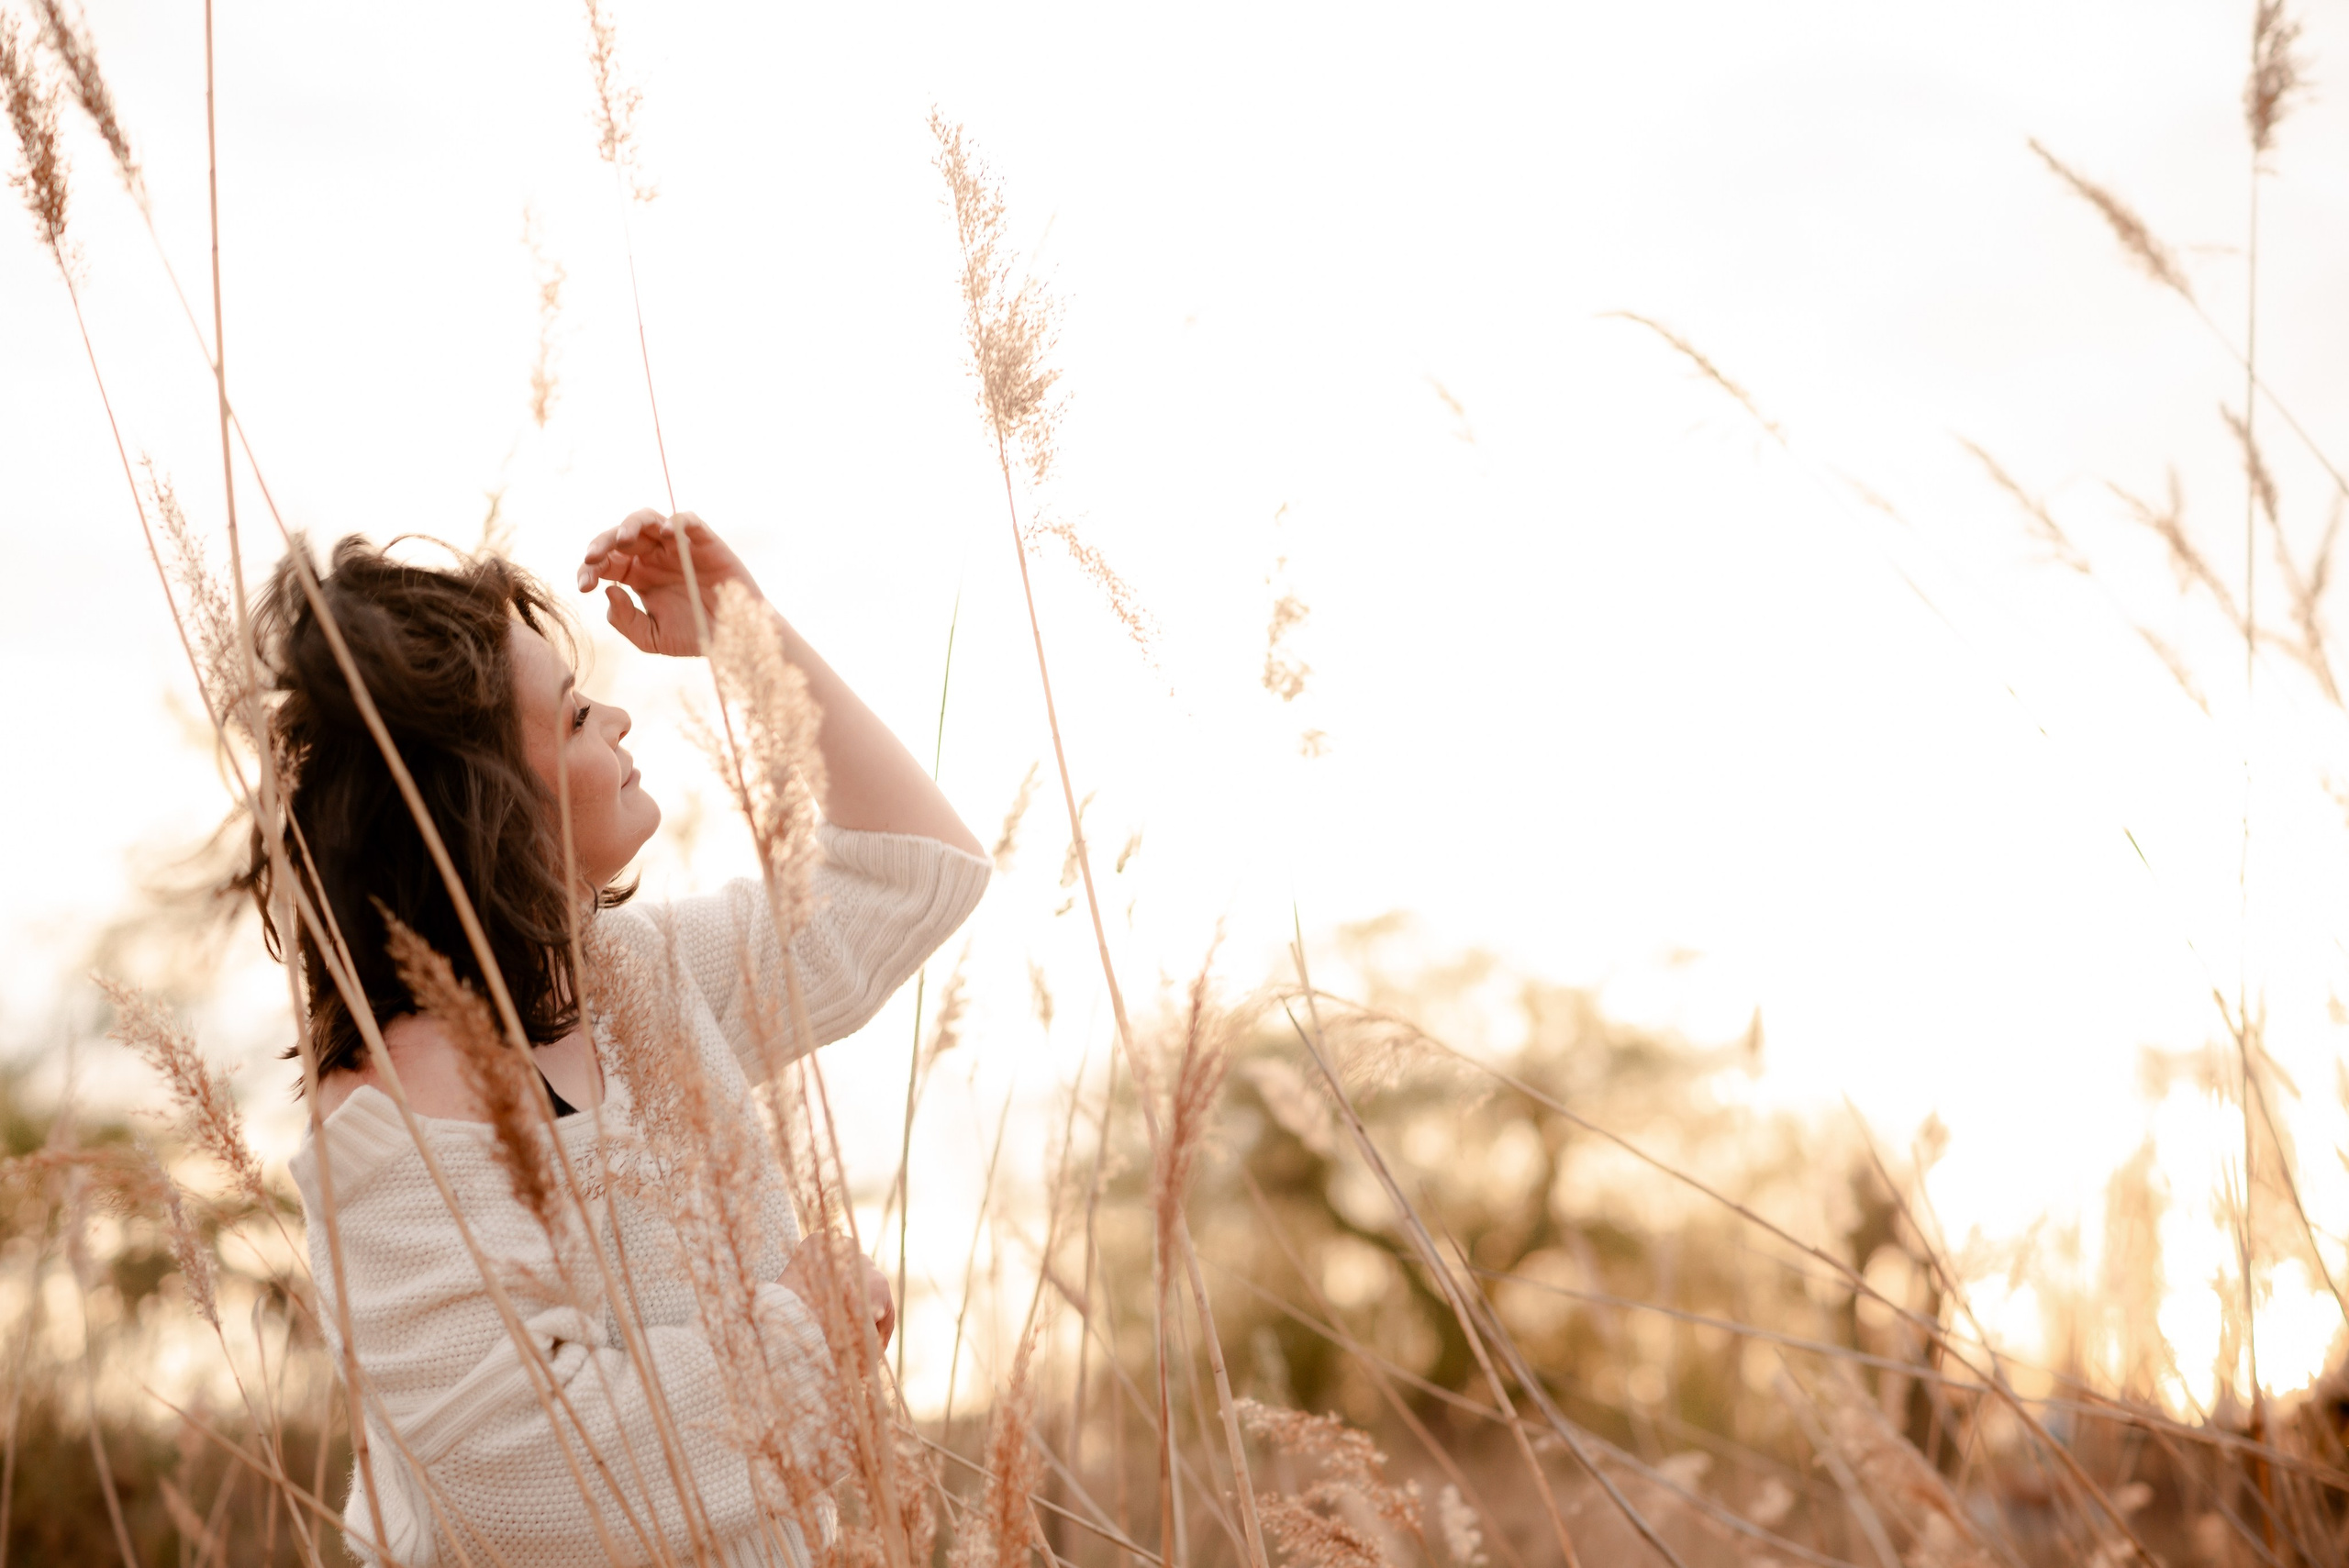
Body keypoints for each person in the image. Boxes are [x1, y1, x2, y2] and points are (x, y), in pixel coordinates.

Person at [262, 511, 989, 1567]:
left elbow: (914, 874)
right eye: (571, 716)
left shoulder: (632, 978)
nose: (615, 716)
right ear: (488, 805)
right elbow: (521, 1477)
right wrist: (808, 1333)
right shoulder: (394, 1112)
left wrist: (748, 635)